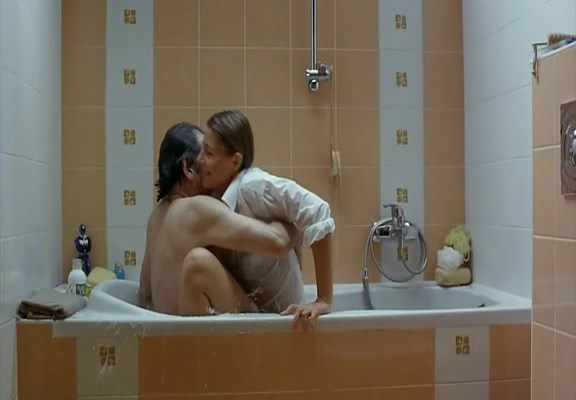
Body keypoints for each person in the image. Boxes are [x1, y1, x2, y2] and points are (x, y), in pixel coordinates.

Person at [139, 122, 297, 316]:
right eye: (205, 155)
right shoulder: (196, 210)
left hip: (170, 329)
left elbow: (145, 294)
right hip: (201, 330)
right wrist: (290, 219)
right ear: (188, 168)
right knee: (199, 262)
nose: (210, 165)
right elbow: (278, 242)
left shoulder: (155, 218)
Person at [199, 110, 335, 328]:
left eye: (209, 153)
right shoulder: (214, 200)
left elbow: (317, 211)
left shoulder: (253, 187)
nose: (200, 160)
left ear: (235, 161)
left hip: (292, 320)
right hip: (262, 319)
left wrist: (323, 299)